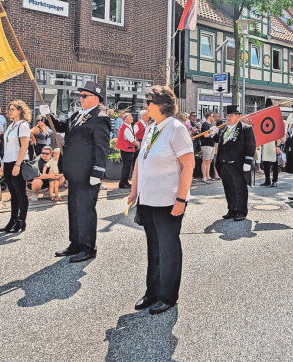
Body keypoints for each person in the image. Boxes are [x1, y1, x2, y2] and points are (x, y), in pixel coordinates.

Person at [127, 86, 194, 315]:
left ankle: (167, 296)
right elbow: (140, 160)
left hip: (168, 200)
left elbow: (188, 166)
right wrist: (134, 190)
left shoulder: (176, 128)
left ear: (161, 105)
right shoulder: (152, 127)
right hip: (148, 199)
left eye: (149, 102)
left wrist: (181, 199)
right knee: (153, 247)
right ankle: (152, 292)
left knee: (168, 248)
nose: (145, 106)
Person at [51, 83, 112, 263]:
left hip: (88, 174)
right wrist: (49, 116)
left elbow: (102, 148)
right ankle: (75, 243)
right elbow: (62, 126)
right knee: (74, 208)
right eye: (81, 95)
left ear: (96, 98)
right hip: (74, 172)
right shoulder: (78, 115)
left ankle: (88, 247)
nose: (81, 98)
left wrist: (98, 172)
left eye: (85, 96)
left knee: (85, 210)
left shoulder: (100, 118)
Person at [215, 104, 256, 222]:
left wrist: (248, 161)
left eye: (231, 116)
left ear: (237, 116)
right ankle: (232, 209)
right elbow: (219, 142)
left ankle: (241, 211)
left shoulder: (245, 128)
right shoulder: (224, 129)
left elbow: (251, 145)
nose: (228, 118)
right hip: (224, 164)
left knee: (240, 188)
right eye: (227, 116)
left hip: (237, 164)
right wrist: (214, 134)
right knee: (228, 188)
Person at [0, 100, 35, 232]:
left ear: (20, 110)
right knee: (13, 193)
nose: (10, 111)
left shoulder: (23, 125)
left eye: (12, 109)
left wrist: (17, 164)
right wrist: (3, 163)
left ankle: (22, 220)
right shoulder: (10, 126)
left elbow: (24, 147)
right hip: (8, 162)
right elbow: (7, 147)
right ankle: (12, 220)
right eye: (9, 109)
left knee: (21, 193)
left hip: (18, 162)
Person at [116, 112, 141, 191]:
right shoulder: (126, 128)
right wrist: (137, 145)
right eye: (130, 117)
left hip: (125, 149)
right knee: (126, 167)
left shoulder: (125, 126)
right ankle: (123, 183)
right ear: (126, 119)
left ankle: (125, 182)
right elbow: (131, 139)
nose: (132, 119)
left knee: (126, 167)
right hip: (127, 149)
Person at [198, 112, 219, 183]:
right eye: (212, 116)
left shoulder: (211, 125)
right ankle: (204, 177)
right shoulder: (205, 124)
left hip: (211, 144)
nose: (213, 118)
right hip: (206, 144)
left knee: (209, 161)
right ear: (209, 116)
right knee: (205, 161)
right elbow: (205, 135)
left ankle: (208, 176)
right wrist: (212, 133)